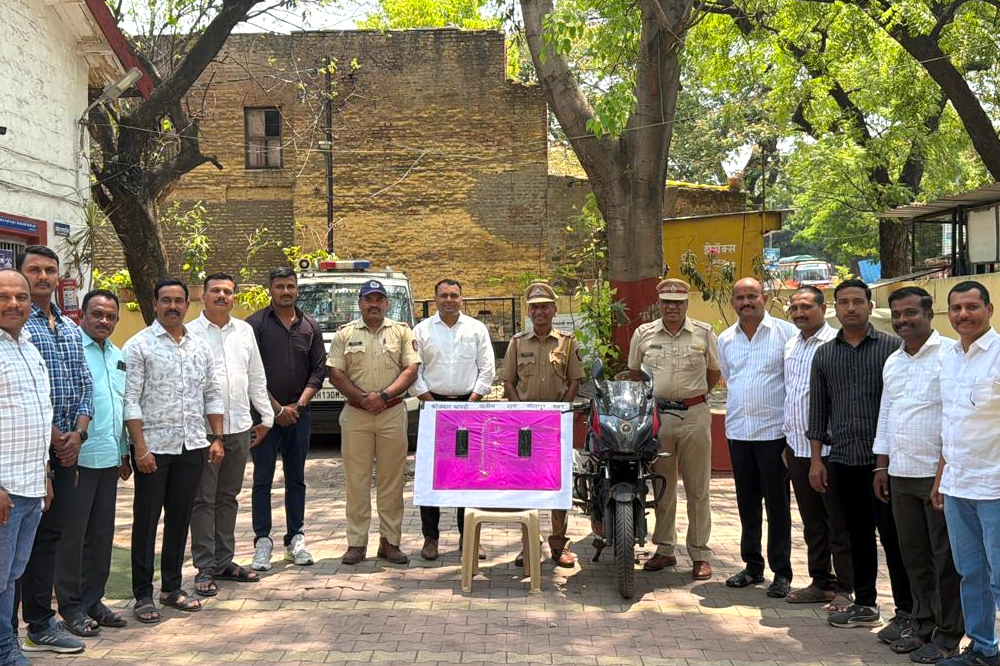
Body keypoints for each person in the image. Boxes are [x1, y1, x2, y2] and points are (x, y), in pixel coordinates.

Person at [808, 278, 913, 635]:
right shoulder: (824, 355)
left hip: (884, 464)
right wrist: (816, 460)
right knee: (857, 537)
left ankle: (907, 611)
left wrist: (887, 460)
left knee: (894, 538)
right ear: (834, 309)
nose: (850, 308)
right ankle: (865, 604)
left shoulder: (892, 349)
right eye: (843, 302)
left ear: (870, 306)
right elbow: (818, 411)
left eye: (857, 301)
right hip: (843, 461)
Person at [124, 278, 225, 624]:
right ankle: (142, 594)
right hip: (153, 449)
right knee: (147, 521)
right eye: (165, 300)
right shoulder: (138, 346)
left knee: (180, 519)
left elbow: (212, 393)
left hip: (191, 445)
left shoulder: (199, 346)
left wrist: (217, 437)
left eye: (178, 301)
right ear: (154, 304)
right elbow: (130, 400)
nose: (172, 306)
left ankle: (170, 588)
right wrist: (140, 448)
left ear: (187, 304)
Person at [873, 286, 963, 663]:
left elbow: (955, 418)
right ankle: (922, 624)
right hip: (901, 471)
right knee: (913, 555)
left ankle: (947, 634)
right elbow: (887, 413)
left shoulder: (950, 356)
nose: (902, 320)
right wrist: (882, 464)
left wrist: (944, 474)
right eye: (897, 314)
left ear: (929, 314)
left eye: (910, 313)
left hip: (936, 474)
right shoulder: (894, 361)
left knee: (944, 558)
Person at [16, 246, 91, 654]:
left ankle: (40, 623)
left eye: (49, 270)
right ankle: (8, 629)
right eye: (34, 270)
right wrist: (52, 437)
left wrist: (76, 435)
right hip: (28, 450)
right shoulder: (17, 328)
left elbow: (85, 385)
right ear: (21, 275)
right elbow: (25, 396)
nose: (43, 277)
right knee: (17, 544)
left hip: (67, 451)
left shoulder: (68, 326)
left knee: (49, 537)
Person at [628, 278, 720, 580]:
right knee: (662, 486)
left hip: (694, 415)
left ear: (686, 304)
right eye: (666, 301)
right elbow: (635, 372)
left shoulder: (704, 334)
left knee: (698, 488)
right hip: (658, 417)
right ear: (659, 304)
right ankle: (665, 549)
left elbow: (714, 373)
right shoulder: (643, 334)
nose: (671, 307)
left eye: (677, 302)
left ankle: (700, 553)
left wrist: (691, 397)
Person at [188, 274, 274, 595]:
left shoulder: (245, 331)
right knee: (203, 499)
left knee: (228, 497)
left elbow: (256, 377)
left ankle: (224, 561)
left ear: (234, 297)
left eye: (227, 291)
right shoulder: (190, 334)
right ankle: (204, 567)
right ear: (203, 297)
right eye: (216, 291)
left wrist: (265, 416)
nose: (222, 296)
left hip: (239, 427)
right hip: (205, 431)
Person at [53, 290, 131, 635]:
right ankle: (71, 607)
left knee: (101, 535)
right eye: (97, 314)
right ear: (82, 315)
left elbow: (121, 404)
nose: (104, 321)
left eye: (110, 316)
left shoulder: (117, 354)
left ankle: (93, 600)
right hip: (78, 458)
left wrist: (125, 451)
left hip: (109, 458)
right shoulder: (72, 350)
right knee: (73, 536)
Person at [328, 279, 421, 565]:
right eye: (369, 299)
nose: (374, 304)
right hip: (357, 415)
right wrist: (364, 398)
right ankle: (356, 543)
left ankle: (390, 543)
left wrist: (383, 396)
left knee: (391, 482)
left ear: (386, 304)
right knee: (356, 482)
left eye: (379, 299)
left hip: (392, 412)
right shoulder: (344, 334)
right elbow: (335, 373)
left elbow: (411, 369)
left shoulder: (402, 332)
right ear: (360, 303)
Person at [932, 281, 1000, 666]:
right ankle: (983, 649)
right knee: (970, 573)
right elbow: (951, 423)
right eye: (956, 308)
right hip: (959, 485)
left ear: (989, 309)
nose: (963, 315)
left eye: (972, 306)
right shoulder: (951, 357)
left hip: (996, 486)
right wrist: (942, 478)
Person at [717, 277, 797, 598]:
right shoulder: (725, 339)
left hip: (774, 436)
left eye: (752, 296)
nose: (746, 302)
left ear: (764, 298)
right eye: (740, 297)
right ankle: (752, 566)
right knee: (747, 505)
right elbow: (728, 377)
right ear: (733, 302)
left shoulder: (786, 335)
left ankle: (782, 572)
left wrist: (791, 438)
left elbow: (794, 386)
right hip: (739, 434)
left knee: (777, 507)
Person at [246, 267, 327, 571]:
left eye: (290, 286)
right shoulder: (254, 325)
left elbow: (319, 371)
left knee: (296, 478)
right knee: (262, 479)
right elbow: (250, 374)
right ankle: (262, 541)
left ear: (297, 290)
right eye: (280, 286)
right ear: (270, 289)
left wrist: (297, 407)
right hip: (263, 418)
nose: (286, 292)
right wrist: (276, 410)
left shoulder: (310, 326)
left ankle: (296, 537)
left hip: (299, 416)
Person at [499, 282, 585, 568]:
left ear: (554, 310)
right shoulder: (517, 343)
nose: (539, 311)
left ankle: (559, 545)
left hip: (555, 426)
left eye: (544, 306)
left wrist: (563, 410)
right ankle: (529, 545)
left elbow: (575, 380)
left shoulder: (567, 342)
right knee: (525, 485)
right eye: (534, 307)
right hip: (524, 427)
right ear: (529, 311)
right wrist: (519, 411)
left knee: (558, 484)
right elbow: (508, 381)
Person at [410, 279, 495, 561]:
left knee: (468, 474)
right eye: (443, 295)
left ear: (462, 299)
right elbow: (413, 372)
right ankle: (430, 538)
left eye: (454, 295)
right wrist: (431, 404)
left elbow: (487, 369)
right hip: (432, 405)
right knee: (432, 474)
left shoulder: (476, 329)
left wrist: (470, 404)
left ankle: (468, 537)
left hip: (468, 406)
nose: (449, 300)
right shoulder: (421, 330)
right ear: (434, 299)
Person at [782, 286, 853, 609]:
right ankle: (819, 581)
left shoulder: (836, 345)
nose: (800, 313)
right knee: (812, 522)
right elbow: (792, 394)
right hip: (796, 448)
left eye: (807, 306)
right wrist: (788, 442)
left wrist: (818, 455)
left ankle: (845, 587)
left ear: (824, 308)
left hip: (827, 452)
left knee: (839, 522)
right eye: (795, 307)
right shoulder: (791, 346)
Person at [0, 269, 53, 666]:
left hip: (30, 484)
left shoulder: (30, 347)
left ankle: (8, 644)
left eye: (20, 297)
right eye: (3, 296)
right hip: (4, 488)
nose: (13, 304)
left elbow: (38, 415)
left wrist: (45, 475)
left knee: (12, 575)